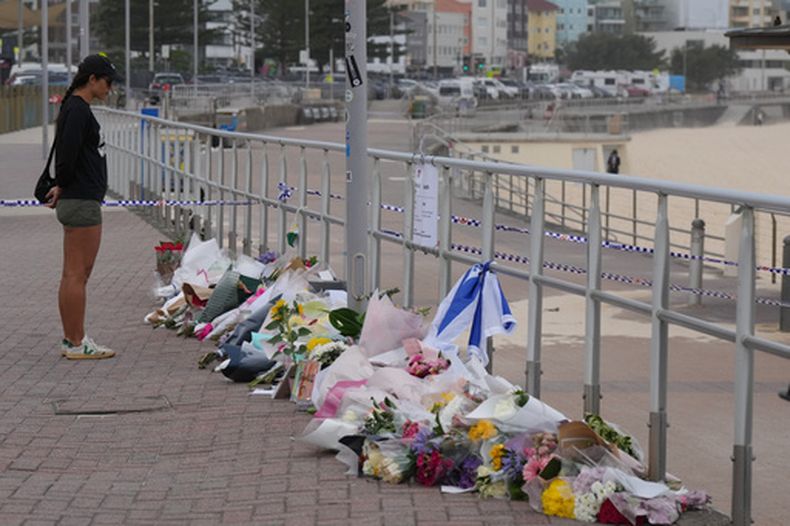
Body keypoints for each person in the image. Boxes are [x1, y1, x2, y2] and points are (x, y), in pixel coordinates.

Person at [44, 54, 121, 360]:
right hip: (81, 200)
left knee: (72, 274)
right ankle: (77, 342)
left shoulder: (74, 108)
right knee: (78, 274)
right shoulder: (78, 109)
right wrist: (63, 183)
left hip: (80, 198)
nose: (110, 89)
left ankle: (70, 339)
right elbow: (67, 154)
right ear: (92, 79)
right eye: (107, 82)